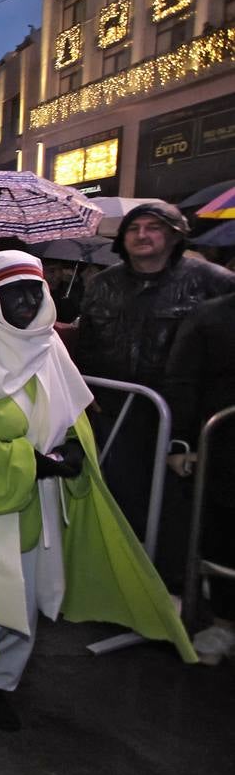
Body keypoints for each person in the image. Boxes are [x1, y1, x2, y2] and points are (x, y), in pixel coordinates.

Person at [0, 251, 196, 731]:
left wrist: (72, 445)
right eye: (12, 293)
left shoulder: (51, 348)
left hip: (39, 500)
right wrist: (23, 461)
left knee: (23, 599)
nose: (28, 302)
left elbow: (70, 411)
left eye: (35, 290)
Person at [76, 204, 235, 577]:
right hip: (116, 411)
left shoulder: (212, 281)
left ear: (176, 235)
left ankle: (175, 588)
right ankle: (118, 582)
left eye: (154, 228)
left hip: (188, 418)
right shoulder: (102, 284)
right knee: (119, 497)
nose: (142, 235)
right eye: (134, 228)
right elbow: (87, 346)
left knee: (180, 508)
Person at [163, 292, 235, 665]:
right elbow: (183, 382)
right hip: (224, 448)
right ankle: (222, 622)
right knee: (221, 532)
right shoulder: (210, 317)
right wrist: (181, 442)